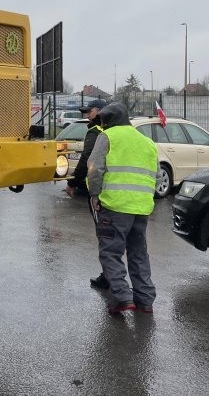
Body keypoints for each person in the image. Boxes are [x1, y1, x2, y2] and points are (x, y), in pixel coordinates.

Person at [87, 102, 159, 315]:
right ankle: (145, 300)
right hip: (142, 207)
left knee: (110, 252)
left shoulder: (107, 136)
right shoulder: (147, 142)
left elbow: (95, 168)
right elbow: (153, 175)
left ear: (107, 121)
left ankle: (121, 297)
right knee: (138, 253)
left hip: (115, 205)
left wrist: (94, 194)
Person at [63, 98, 111, 289]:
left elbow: (87, 160)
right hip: (118, 190)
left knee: (105, 235)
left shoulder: (95, 132)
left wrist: (73, 182)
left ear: (99, 112)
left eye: (89, 111)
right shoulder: (115, 131)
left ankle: (108, 277)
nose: (86, 115)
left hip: (100, 191)